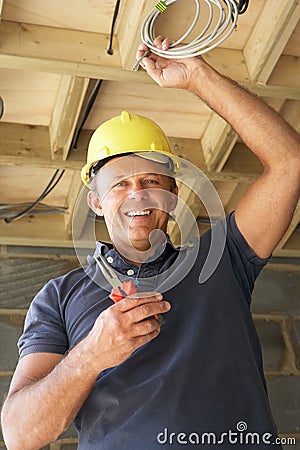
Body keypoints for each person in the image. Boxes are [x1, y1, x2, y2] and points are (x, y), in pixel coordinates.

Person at [1, 36, 299, 450]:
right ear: (97, 204)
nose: (137, 194)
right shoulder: (60, 297)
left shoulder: (224, 260)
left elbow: (289, 162)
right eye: (120, 185)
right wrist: (92, 355)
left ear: (172, 195)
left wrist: (198, 76)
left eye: (151, 182)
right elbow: (20, 435)